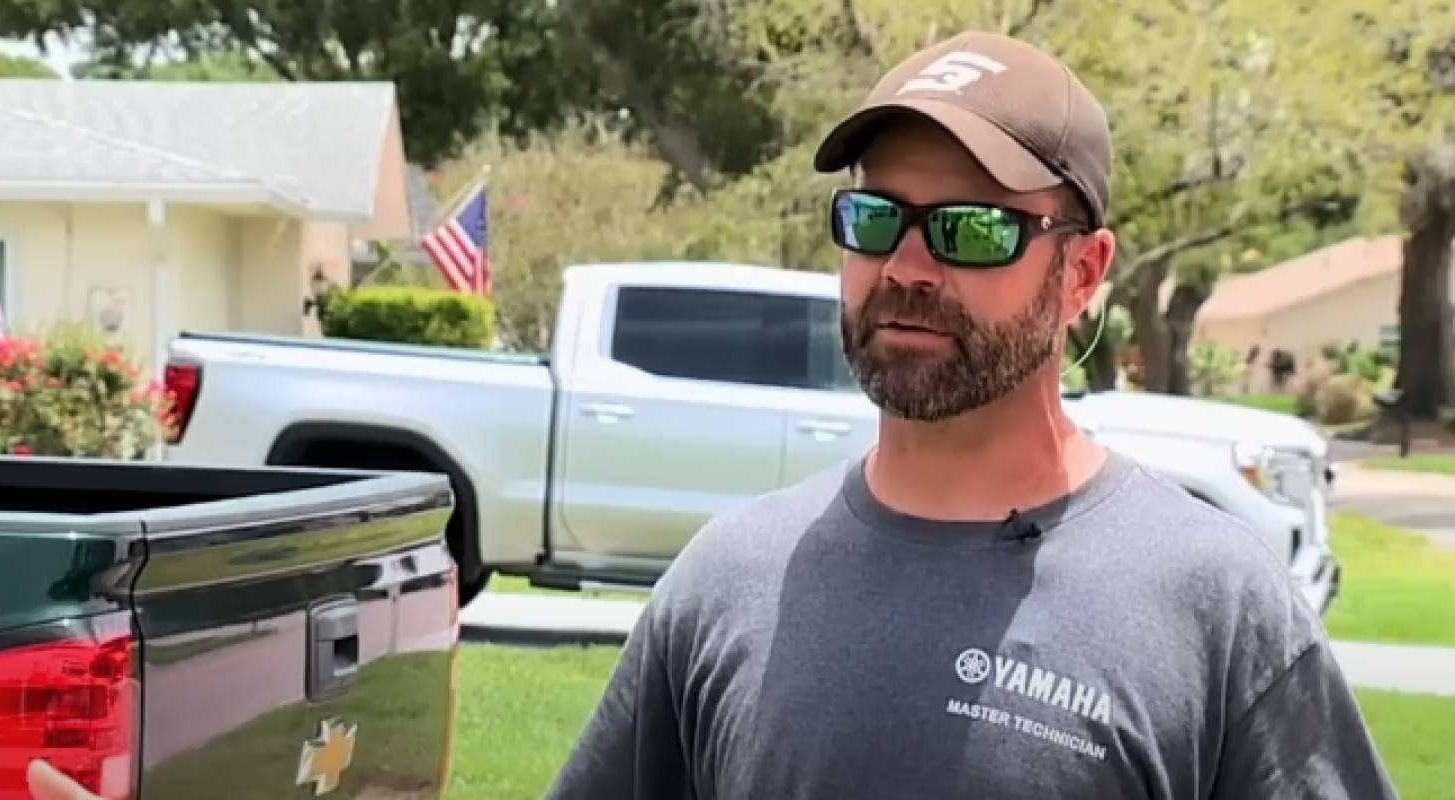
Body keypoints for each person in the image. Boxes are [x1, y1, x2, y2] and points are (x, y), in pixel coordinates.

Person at [545, 30, 1396, 799]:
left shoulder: (1218, 608)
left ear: (1083, 272)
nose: (907, 265)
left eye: (975, 229)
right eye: (875, 219)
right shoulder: (727, 581)